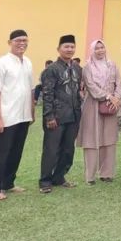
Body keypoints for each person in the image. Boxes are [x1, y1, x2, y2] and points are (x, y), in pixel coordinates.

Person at [0, 29, 34, 201]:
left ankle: (8, 183)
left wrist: (31, 111)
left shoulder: (27, 62)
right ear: (10, 42)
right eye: (18, 40)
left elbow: (31, 89)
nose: (22, 43)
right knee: (2, 152)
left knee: (16, 150)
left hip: (23, 115)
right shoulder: (1, 64)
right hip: (7, 116)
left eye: (25, 40)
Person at [39, 35, 82, 193]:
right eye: (66, 47)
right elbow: (47, 94)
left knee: (68, 149)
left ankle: (59, 177)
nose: (69, 49)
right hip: (56, 117)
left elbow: (78, 90)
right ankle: (45, 181)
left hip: (74, 115)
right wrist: (49, 116)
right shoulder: (51, 69)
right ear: (59, 49)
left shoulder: (77, 68)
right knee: (51, 149)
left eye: (72, 47)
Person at [76, 39, 121, 185]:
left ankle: (106, 173)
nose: (100, 50)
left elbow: (119, 84)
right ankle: (90, 176)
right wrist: (108, 96)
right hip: (93, 105)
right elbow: (90, 86)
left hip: (110, 106)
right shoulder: (87, 67)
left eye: (102, 47)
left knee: (109, 139)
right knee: (91, 139)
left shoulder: (112, 65)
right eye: (97, 48)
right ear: (92, 51)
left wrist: (116, 98)